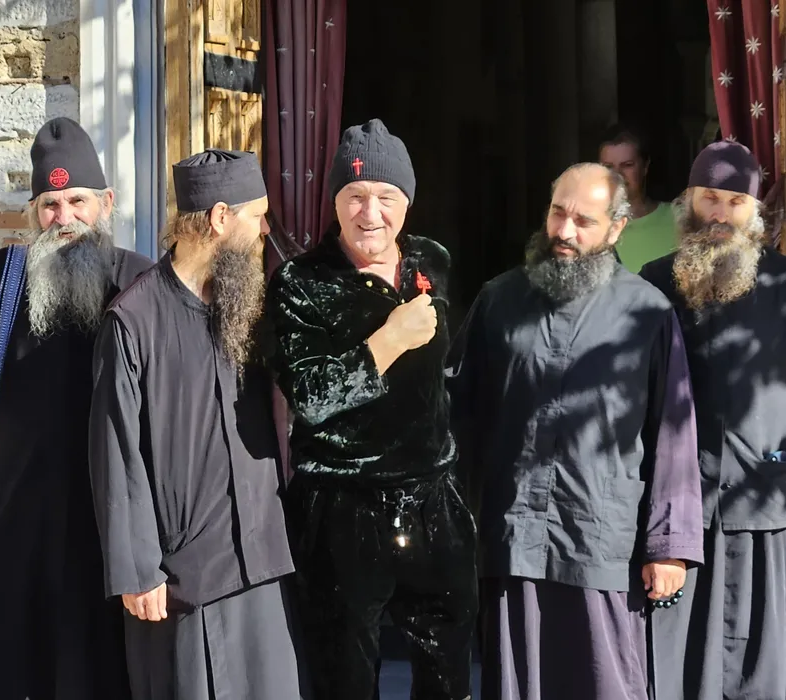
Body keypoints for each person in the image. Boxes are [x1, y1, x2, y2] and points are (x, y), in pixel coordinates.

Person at [448, 162, 704, 700]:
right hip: (513, 539)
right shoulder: (498, 301)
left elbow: (673, 431)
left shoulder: (647, 314)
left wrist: (670, 545)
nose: (564, 231)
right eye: (557, 213)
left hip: (601, 539)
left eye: (584, 220)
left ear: (616, 228)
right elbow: (455, 413)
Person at [0, 117, 151, 699]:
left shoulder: (140, 282)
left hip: (104, 545)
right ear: (33, 212)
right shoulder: (0, 279)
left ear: (106, 203)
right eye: (50, 205)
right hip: (8, 540)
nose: (63, 217)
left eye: (77, 201)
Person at [266, 118, 478, 700]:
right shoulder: (300, 282)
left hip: (432, 501)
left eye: (386, 196)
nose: (370, 214)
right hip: (342, 509)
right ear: (334, 202)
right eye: (354, 196)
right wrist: (389, 340)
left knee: (447, 676)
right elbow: (309, 398)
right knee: (345, 679)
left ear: (407, 200)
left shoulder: (431, 262)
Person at [88, 149, 307, 699]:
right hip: (184, 581)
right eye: (258, 217)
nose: (265, 232)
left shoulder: (248, 306)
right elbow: (116, 452)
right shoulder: (133, 320)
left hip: (263, 565)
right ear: (219, 218)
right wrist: (139, 570)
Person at [640, 142, 786, 700]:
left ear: (755, 210)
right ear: (688, 201)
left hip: (767, 510)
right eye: (709, 198)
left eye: (735, 202)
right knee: (675, 676)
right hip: (681, 517)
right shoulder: (653, 284)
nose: (721, 214)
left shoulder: (783, 286)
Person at [599, 123, 677, 272]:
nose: (617, 175)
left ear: (645, 167)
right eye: (608, 167)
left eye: (627, 165)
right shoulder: (588, 224)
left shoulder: (678, 218)